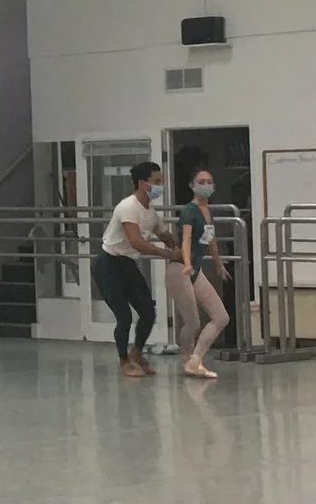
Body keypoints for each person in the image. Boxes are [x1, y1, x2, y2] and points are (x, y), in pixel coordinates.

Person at [96, 162, 177, 379]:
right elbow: (136, 242)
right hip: (109, 264)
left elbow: (165, 236)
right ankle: (124, 360)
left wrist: (181, 251)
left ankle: (137, 352)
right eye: (157, 181)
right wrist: (167, 255)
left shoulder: (151, 212)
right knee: (124, 316)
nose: (161, 186)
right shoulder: (128, 207)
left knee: (148, 312)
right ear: (143, 184)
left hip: (128, 265)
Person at [170, 171, 233, 380]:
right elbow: (186, 240)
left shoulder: (207, 211)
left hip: (196, 270)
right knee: (192, 322)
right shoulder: (189, 211)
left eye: (209, 182)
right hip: (180, 269)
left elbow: (210, 239)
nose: (206, 185)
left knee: (221, 317)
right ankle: (187, 357)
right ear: (192, 185)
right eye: (201, 182)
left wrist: (218, 264)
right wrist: (187, 263)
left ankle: (195, 360)